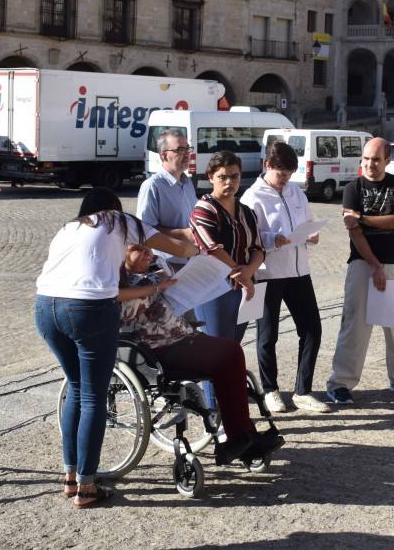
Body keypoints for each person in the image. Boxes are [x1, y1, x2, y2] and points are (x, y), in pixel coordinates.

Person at [35, 188, 197, 508]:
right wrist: (201, 246)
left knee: (78, 391)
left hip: (45, 308)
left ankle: (71, 478)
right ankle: (87, 487)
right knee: (94, 395)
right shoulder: (118, 221)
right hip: (88, 309)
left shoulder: (68, 228)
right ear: (115, 208)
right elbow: (181, 249)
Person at [118, 246, 283, 463]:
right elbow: (126, 312)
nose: (147, 253)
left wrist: (157, 272)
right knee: (228, 354)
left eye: (148, 248)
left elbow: (167, 278)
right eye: (139, 250)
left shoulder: (153, 271)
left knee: (230, 354)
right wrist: (153, 286)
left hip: (181, 336)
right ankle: (240, 435)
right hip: (156, 349)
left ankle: (243, 434)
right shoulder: (122, 284)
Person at [326, 138, 394, 405]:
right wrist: (375, 265)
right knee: (354, 325)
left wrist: (364, 218)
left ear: (387, 160)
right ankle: (340, 382)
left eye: (376, 159)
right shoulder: (352, 188)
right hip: (362, 264)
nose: (370, 164)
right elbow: (354, 233)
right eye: (366, 159)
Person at [241, 142, 329, 414]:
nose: (285, 180)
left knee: (312, 329)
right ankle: (270, 390)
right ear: (268, 166)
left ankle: (303, 391)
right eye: (281, 175)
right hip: (268, 273)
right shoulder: (252, 197)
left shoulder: (296, 193)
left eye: (290, 175)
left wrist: (312, 234)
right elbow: (248, 237)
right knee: (268, 335)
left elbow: (307, 221)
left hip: (299, 271)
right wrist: (271, 239)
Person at [189, 151, 264, 409]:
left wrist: (248, 272)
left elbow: (259, 247)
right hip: (215, 291)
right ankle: (215, 415)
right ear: (211, 177)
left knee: (232, 352)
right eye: (222, 177)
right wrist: (240, 271)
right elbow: (211, 248)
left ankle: (230, 412)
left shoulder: (247, 211)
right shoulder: (204, 208)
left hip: (245, 289)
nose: (229, 182)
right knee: (216, 355)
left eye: (234, 176)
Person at [136, 129, 198, 270]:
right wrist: (183, 234)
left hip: (192, 261)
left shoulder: (187, 182)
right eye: (180, 150)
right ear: (164, 155)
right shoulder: (152, 186)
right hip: (168, 265)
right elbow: (143, 231)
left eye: (188, 148)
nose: (187, 154)